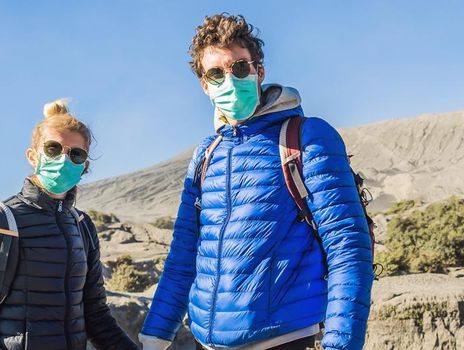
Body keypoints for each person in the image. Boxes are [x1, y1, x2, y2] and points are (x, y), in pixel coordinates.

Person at [139, 13, 374, 350]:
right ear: (204, 85)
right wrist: (155, 335)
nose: (229, 80)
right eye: (216, 74)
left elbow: (348, 249)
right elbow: (183, 256)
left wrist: (341, 344)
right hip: (206, 342)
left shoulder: (306, 137)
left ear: (258, 71)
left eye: (239, 68)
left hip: (284, 340)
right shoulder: (207, 154)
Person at [0, 100, 139, 350]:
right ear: (33, 156)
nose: (64, 160)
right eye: (53, 149)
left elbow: (96, 316)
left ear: (85, 166)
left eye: (75, 154)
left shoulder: (83, 226)